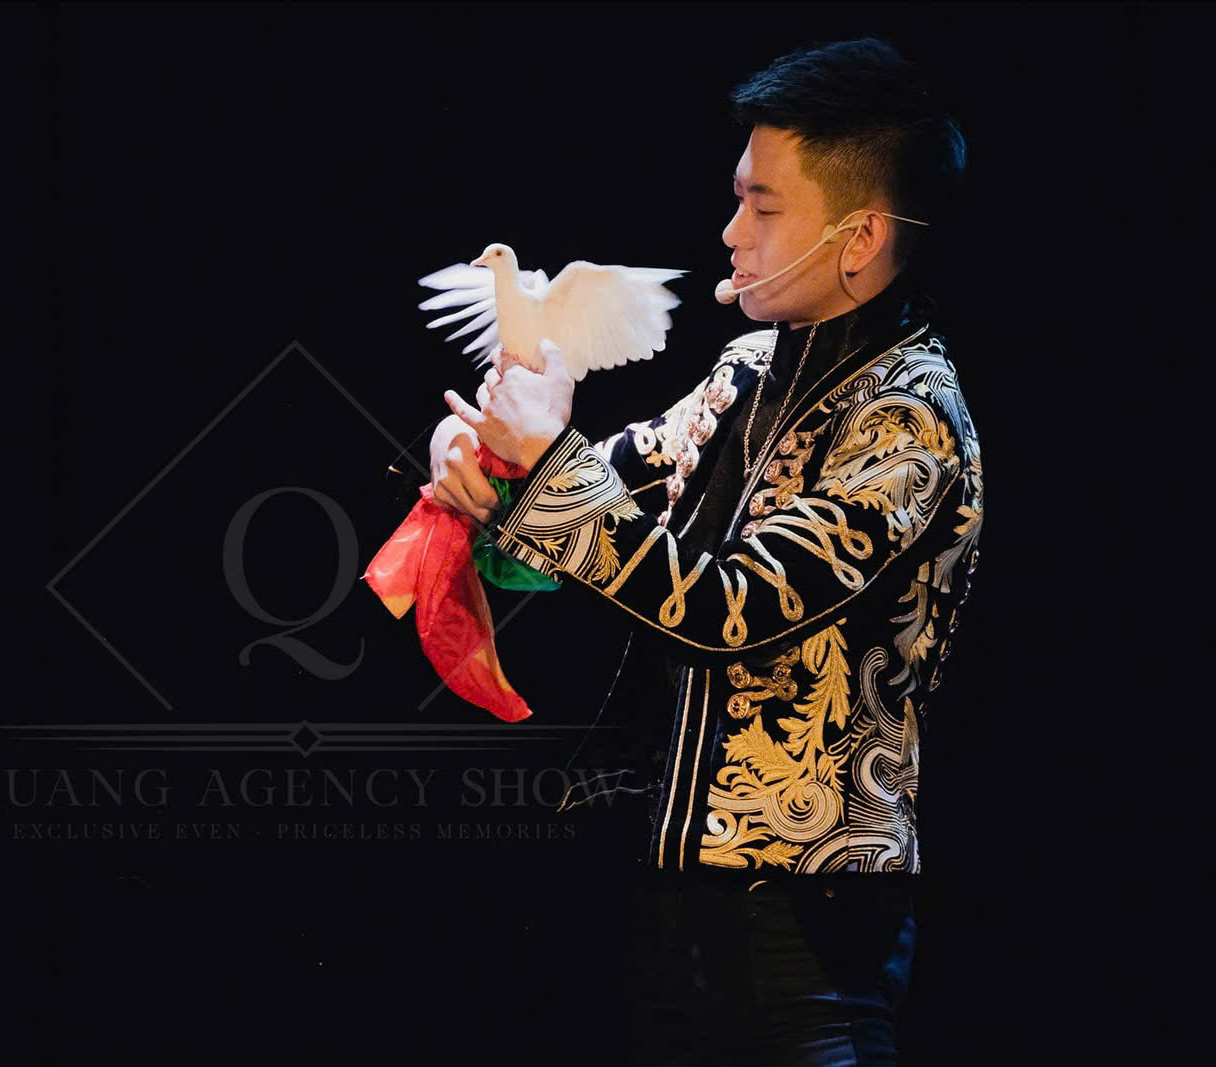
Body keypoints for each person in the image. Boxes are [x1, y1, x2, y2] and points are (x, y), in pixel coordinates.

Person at [433, 37, 980, 1066]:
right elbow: (583, 518)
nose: (731, 232)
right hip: (668, 906)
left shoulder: (909, 420)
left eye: (762, 208)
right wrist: (481, 471)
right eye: (738, 200)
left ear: (860, 237)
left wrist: (545, 465)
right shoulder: (744, 371)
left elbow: (732, 609)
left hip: (809, 930)